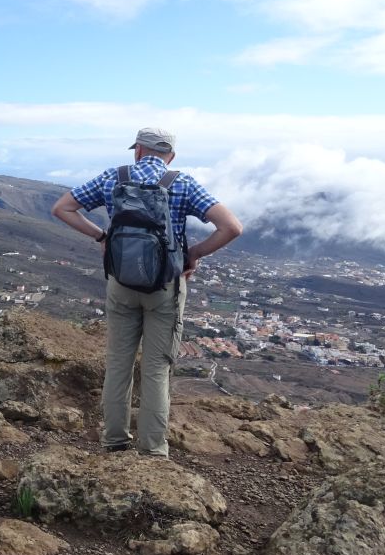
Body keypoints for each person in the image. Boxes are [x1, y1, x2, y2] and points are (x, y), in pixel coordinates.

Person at [51, 127, 242, 456]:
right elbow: (232, 227)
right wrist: (193, 254)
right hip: (165, 287)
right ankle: (153, 451)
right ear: (171, 156)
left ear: (138, 150)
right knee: (156, 369)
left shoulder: (114, 177)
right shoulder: (182, 183)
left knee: (118, 364)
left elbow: (62, 208)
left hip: (121, 283)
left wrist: (102, 237)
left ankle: (114, 441)